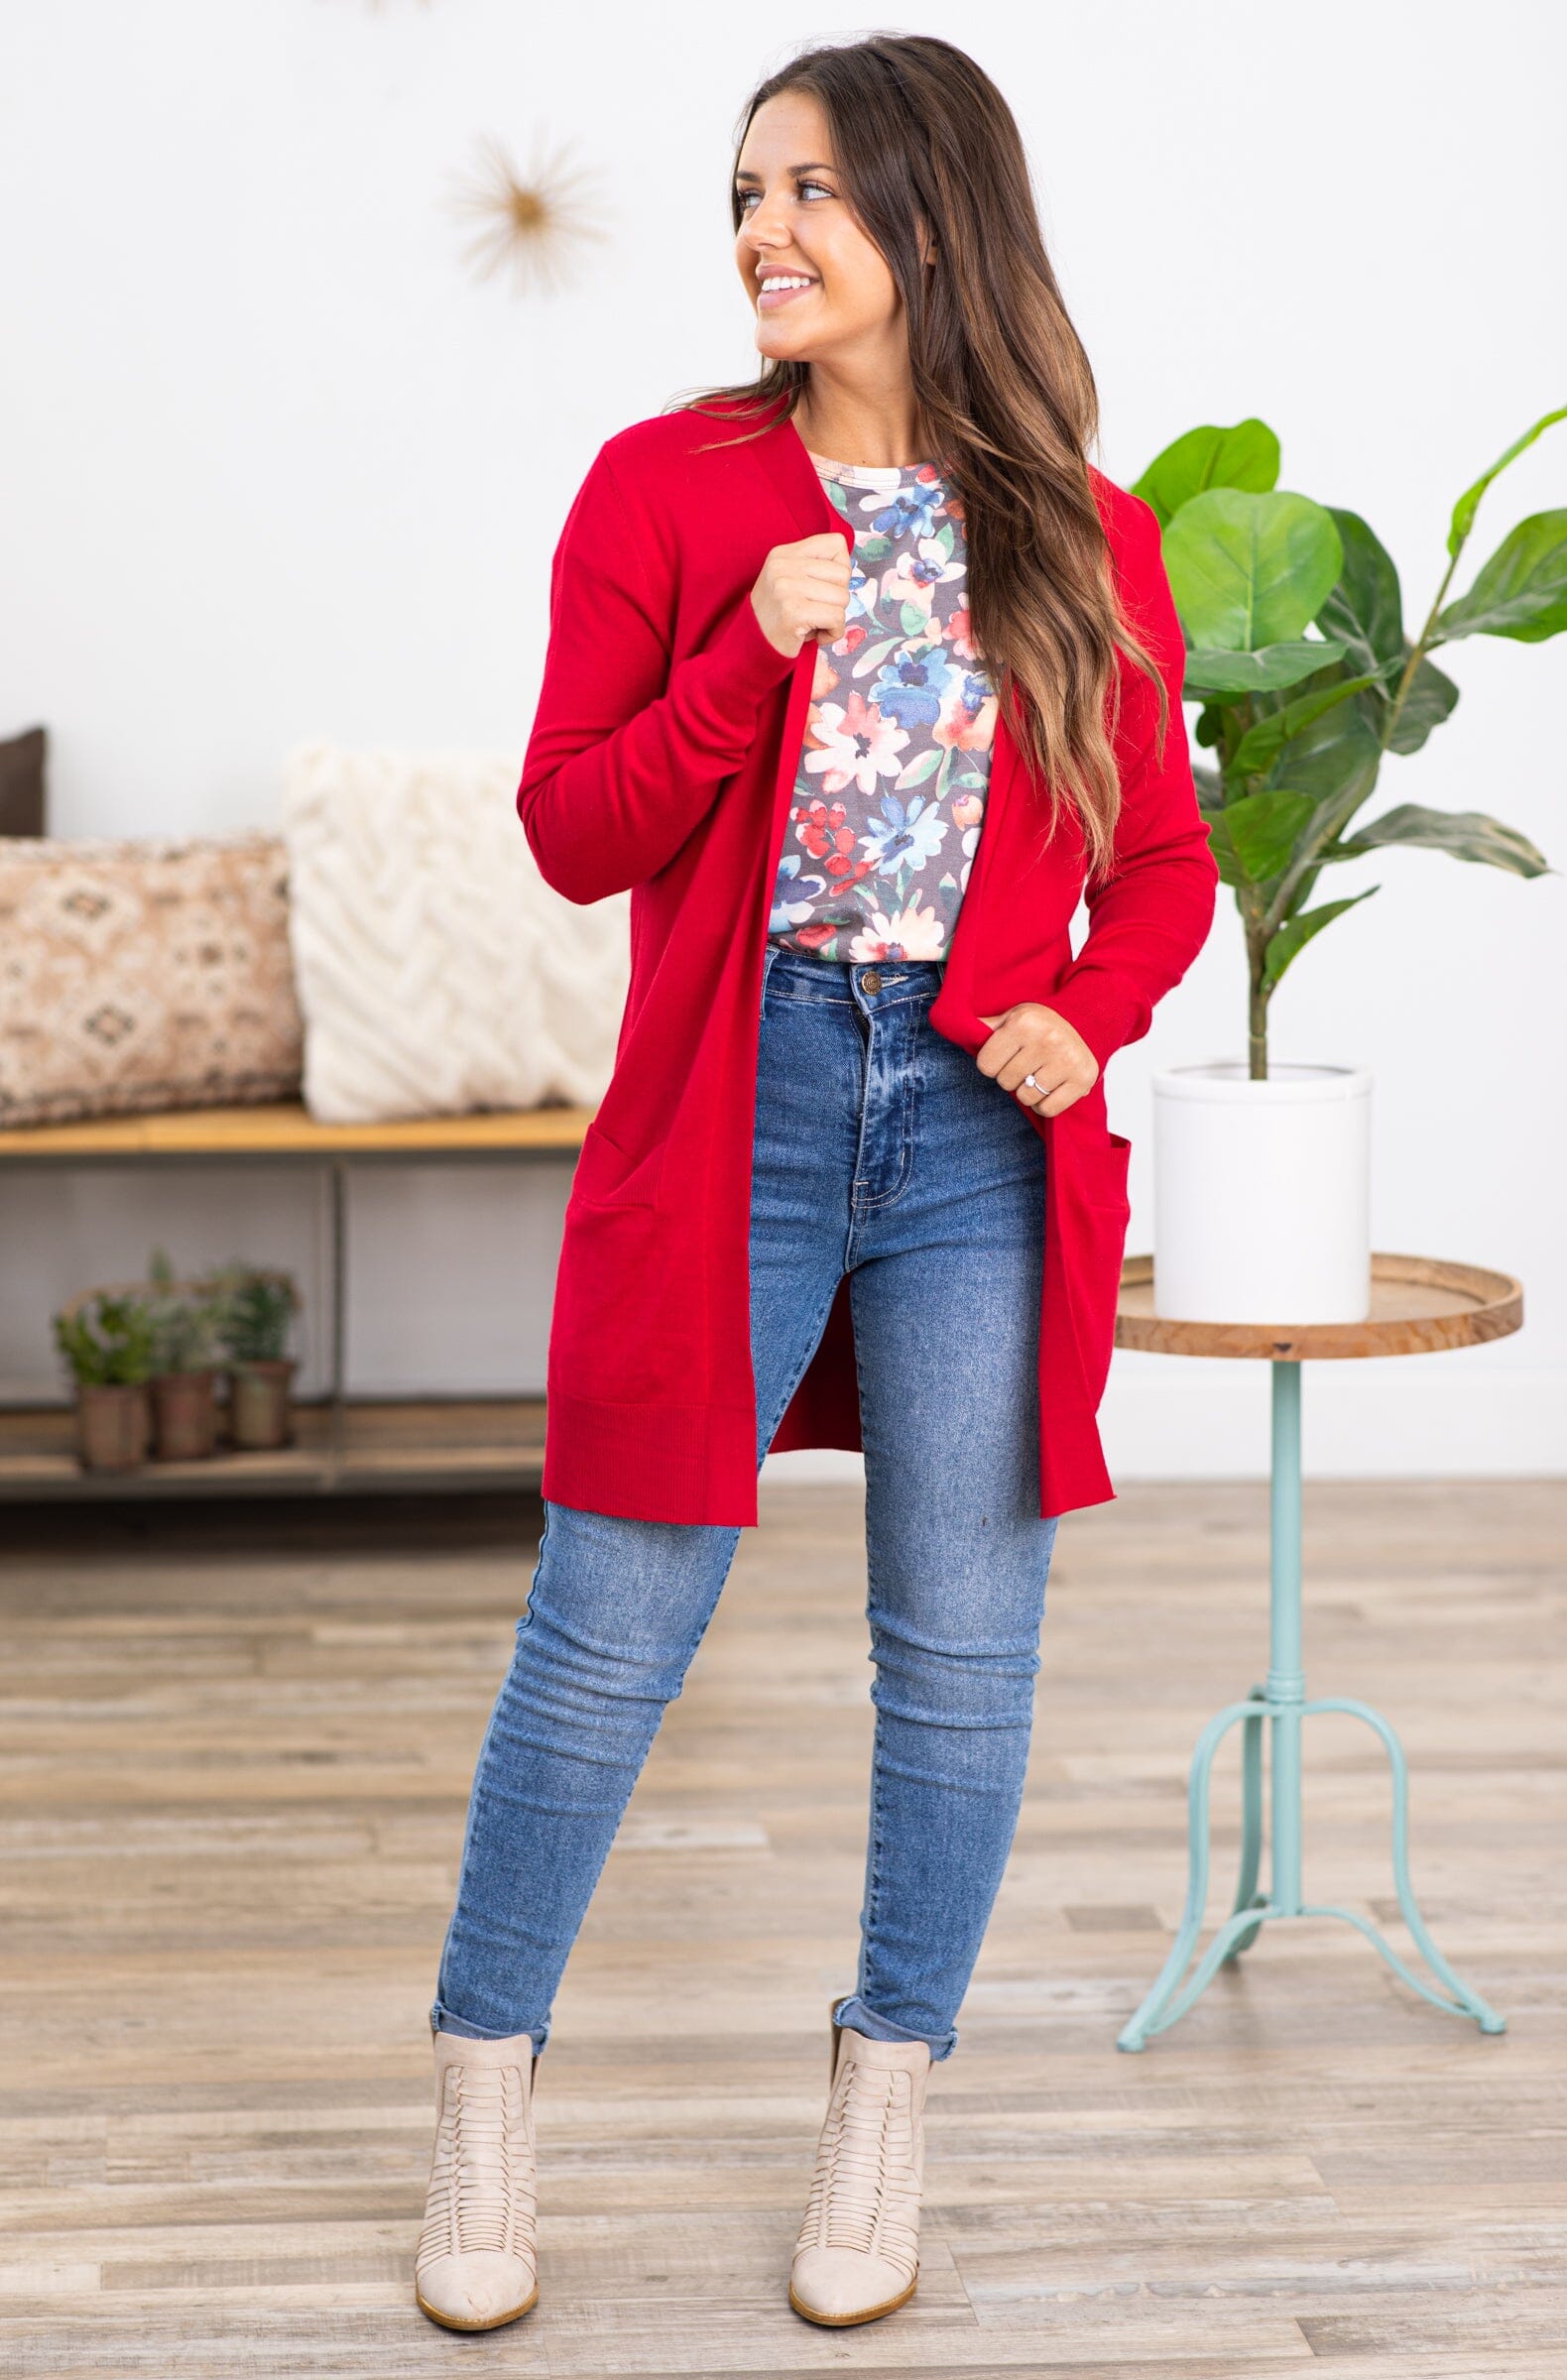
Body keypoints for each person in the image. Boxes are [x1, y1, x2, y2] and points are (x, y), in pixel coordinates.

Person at [414, 32, 1218, 2338]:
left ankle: (883, 2105)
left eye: (812, 192)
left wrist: (1089, 1010)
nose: (765, 232)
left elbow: (1159, 863)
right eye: (745, 195)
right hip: (737, 1102)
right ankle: (482, 2094)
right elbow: (572, 830)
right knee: (608, 1626)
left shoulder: (1084, 532)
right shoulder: (668, 492)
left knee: (958, 1657)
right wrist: (741, 660)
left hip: (974, 1128)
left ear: (932, 221)